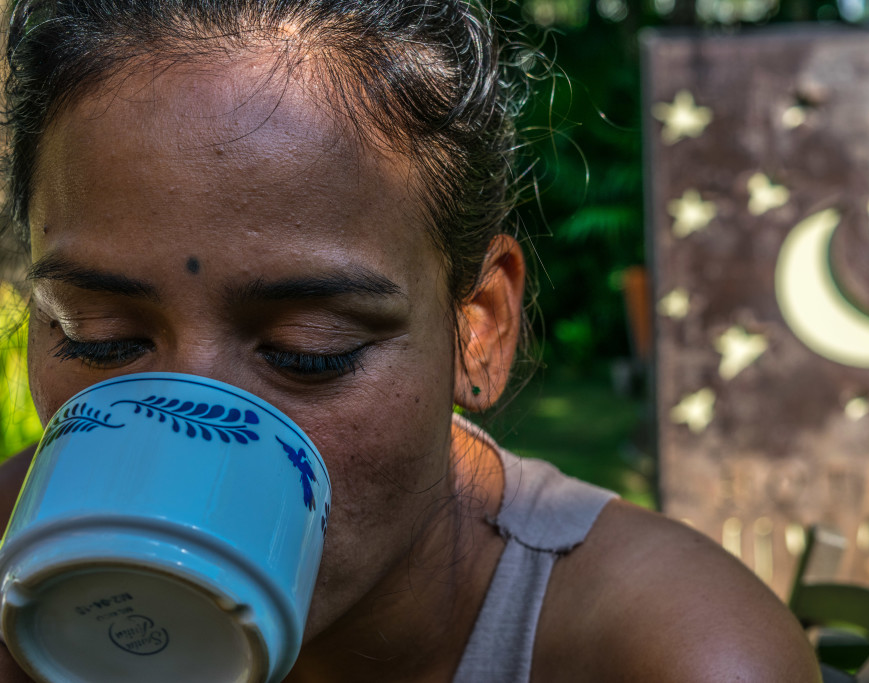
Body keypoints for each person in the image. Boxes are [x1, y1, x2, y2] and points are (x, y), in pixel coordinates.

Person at [0, 1, 821, 680]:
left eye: (306, 350)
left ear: (480, 326)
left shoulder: (664, 655)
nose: (188, 445)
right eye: (97, 337)